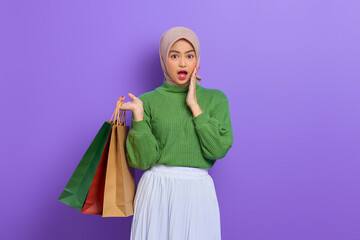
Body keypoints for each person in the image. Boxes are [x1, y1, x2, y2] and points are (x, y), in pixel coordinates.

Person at [117, 26, 233, 240]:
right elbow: (143, 161)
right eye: (174, 55)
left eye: (189, 56)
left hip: (198, 193)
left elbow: (218, 148)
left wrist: (195, 107)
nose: (182, 63)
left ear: (197, 59)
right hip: (156, 191)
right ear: (164, 59)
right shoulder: (148, 101)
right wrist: (139, 118)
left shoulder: (216, 99)